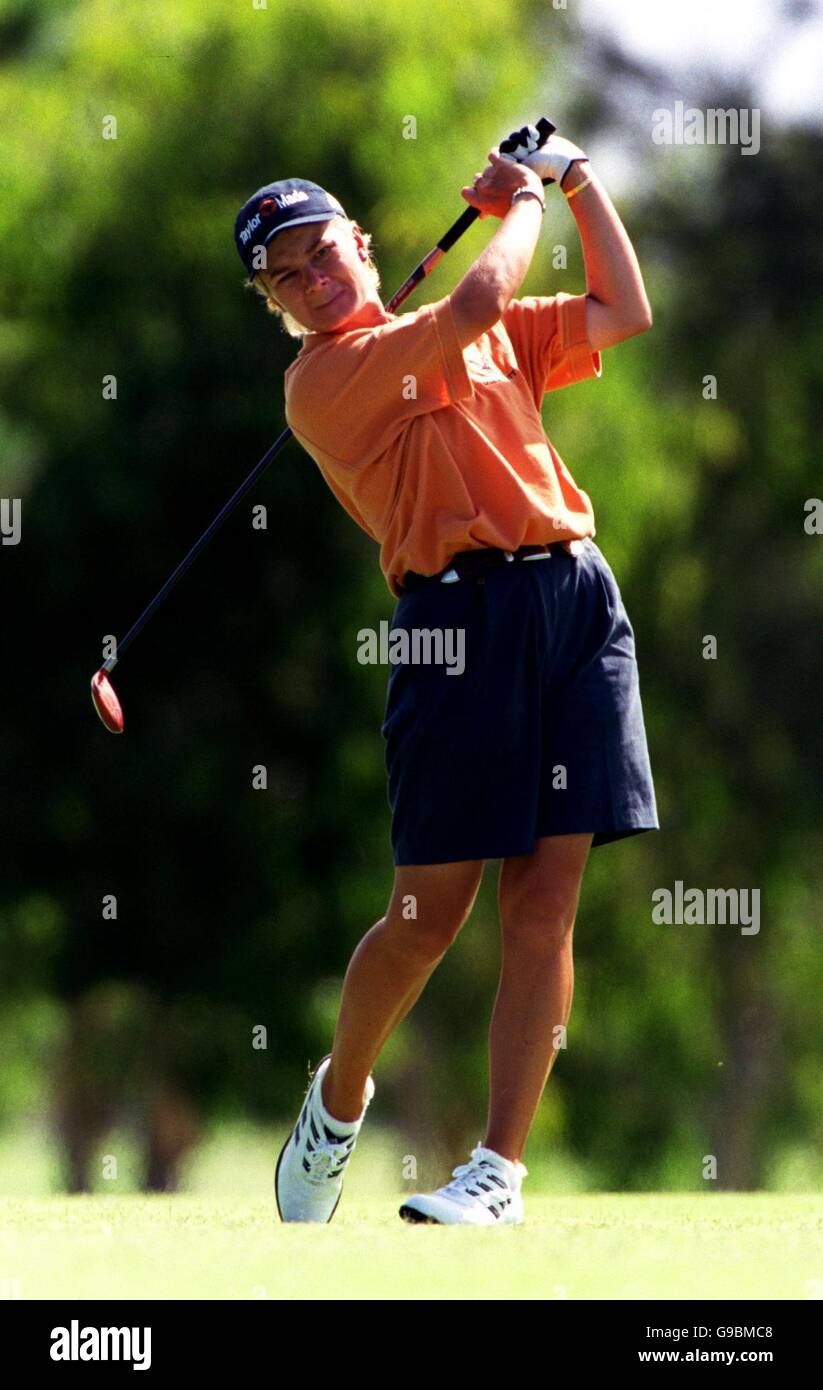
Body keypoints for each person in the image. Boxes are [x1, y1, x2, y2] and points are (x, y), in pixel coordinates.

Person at [234, 124, 659, 1225]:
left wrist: (576, 182)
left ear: (363, 247)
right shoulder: (320, 382)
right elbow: (469, 308)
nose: (312, 280)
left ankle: (497, 1173)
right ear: (276, 304)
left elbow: (623, 311)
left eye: (323, 253)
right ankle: (336, 1102)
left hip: (573, 600)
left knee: (544, 905)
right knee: (427, 912)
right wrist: (520, 198)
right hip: (453, 629)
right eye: (286, 276)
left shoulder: (477, 330)